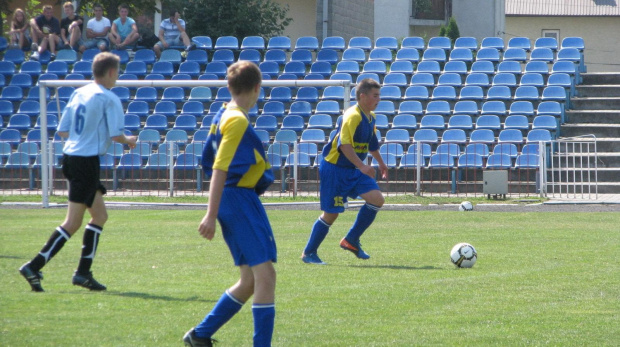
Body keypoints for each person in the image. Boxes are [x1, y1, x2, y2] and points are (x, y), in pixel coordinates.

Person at [18, 52, 137, 292]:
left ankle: (83, 273)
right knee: (72, 222)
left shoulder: (78, 93)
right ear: (112, 72)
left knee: (100, 216)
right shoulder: (109, 98)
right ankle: (34, 265)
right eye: (118, 72)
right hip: (85, 161)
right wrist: (130, 140)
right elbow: (116, 136)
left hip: (71, 157)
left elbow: (63, 131)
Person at [183, 61, 276, 347]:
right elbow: (220, 168)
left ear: (229, 86)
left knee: (249, 280)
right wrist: (210, 214)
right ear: (258, 89)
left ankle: (200, 335)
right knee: (266, 276)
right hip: (236, 199)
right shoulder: (236, 119)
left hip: (236, 198)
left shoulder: (225, 111)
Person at [301, 78, 388, 265]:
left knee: (377, 200)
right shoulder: (352, 116)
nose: (378, 99)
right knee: (331, 214)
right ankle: (309, 253)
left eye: (379, 95)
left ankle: (351, 240)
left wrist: (381, 163)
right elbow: (344, 145)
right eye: (375, 96)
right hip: (335, 169)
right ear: (362, 96)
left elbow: (372, 145)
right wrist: (362, 166)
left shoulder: (370, 117)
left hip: (353, 169)